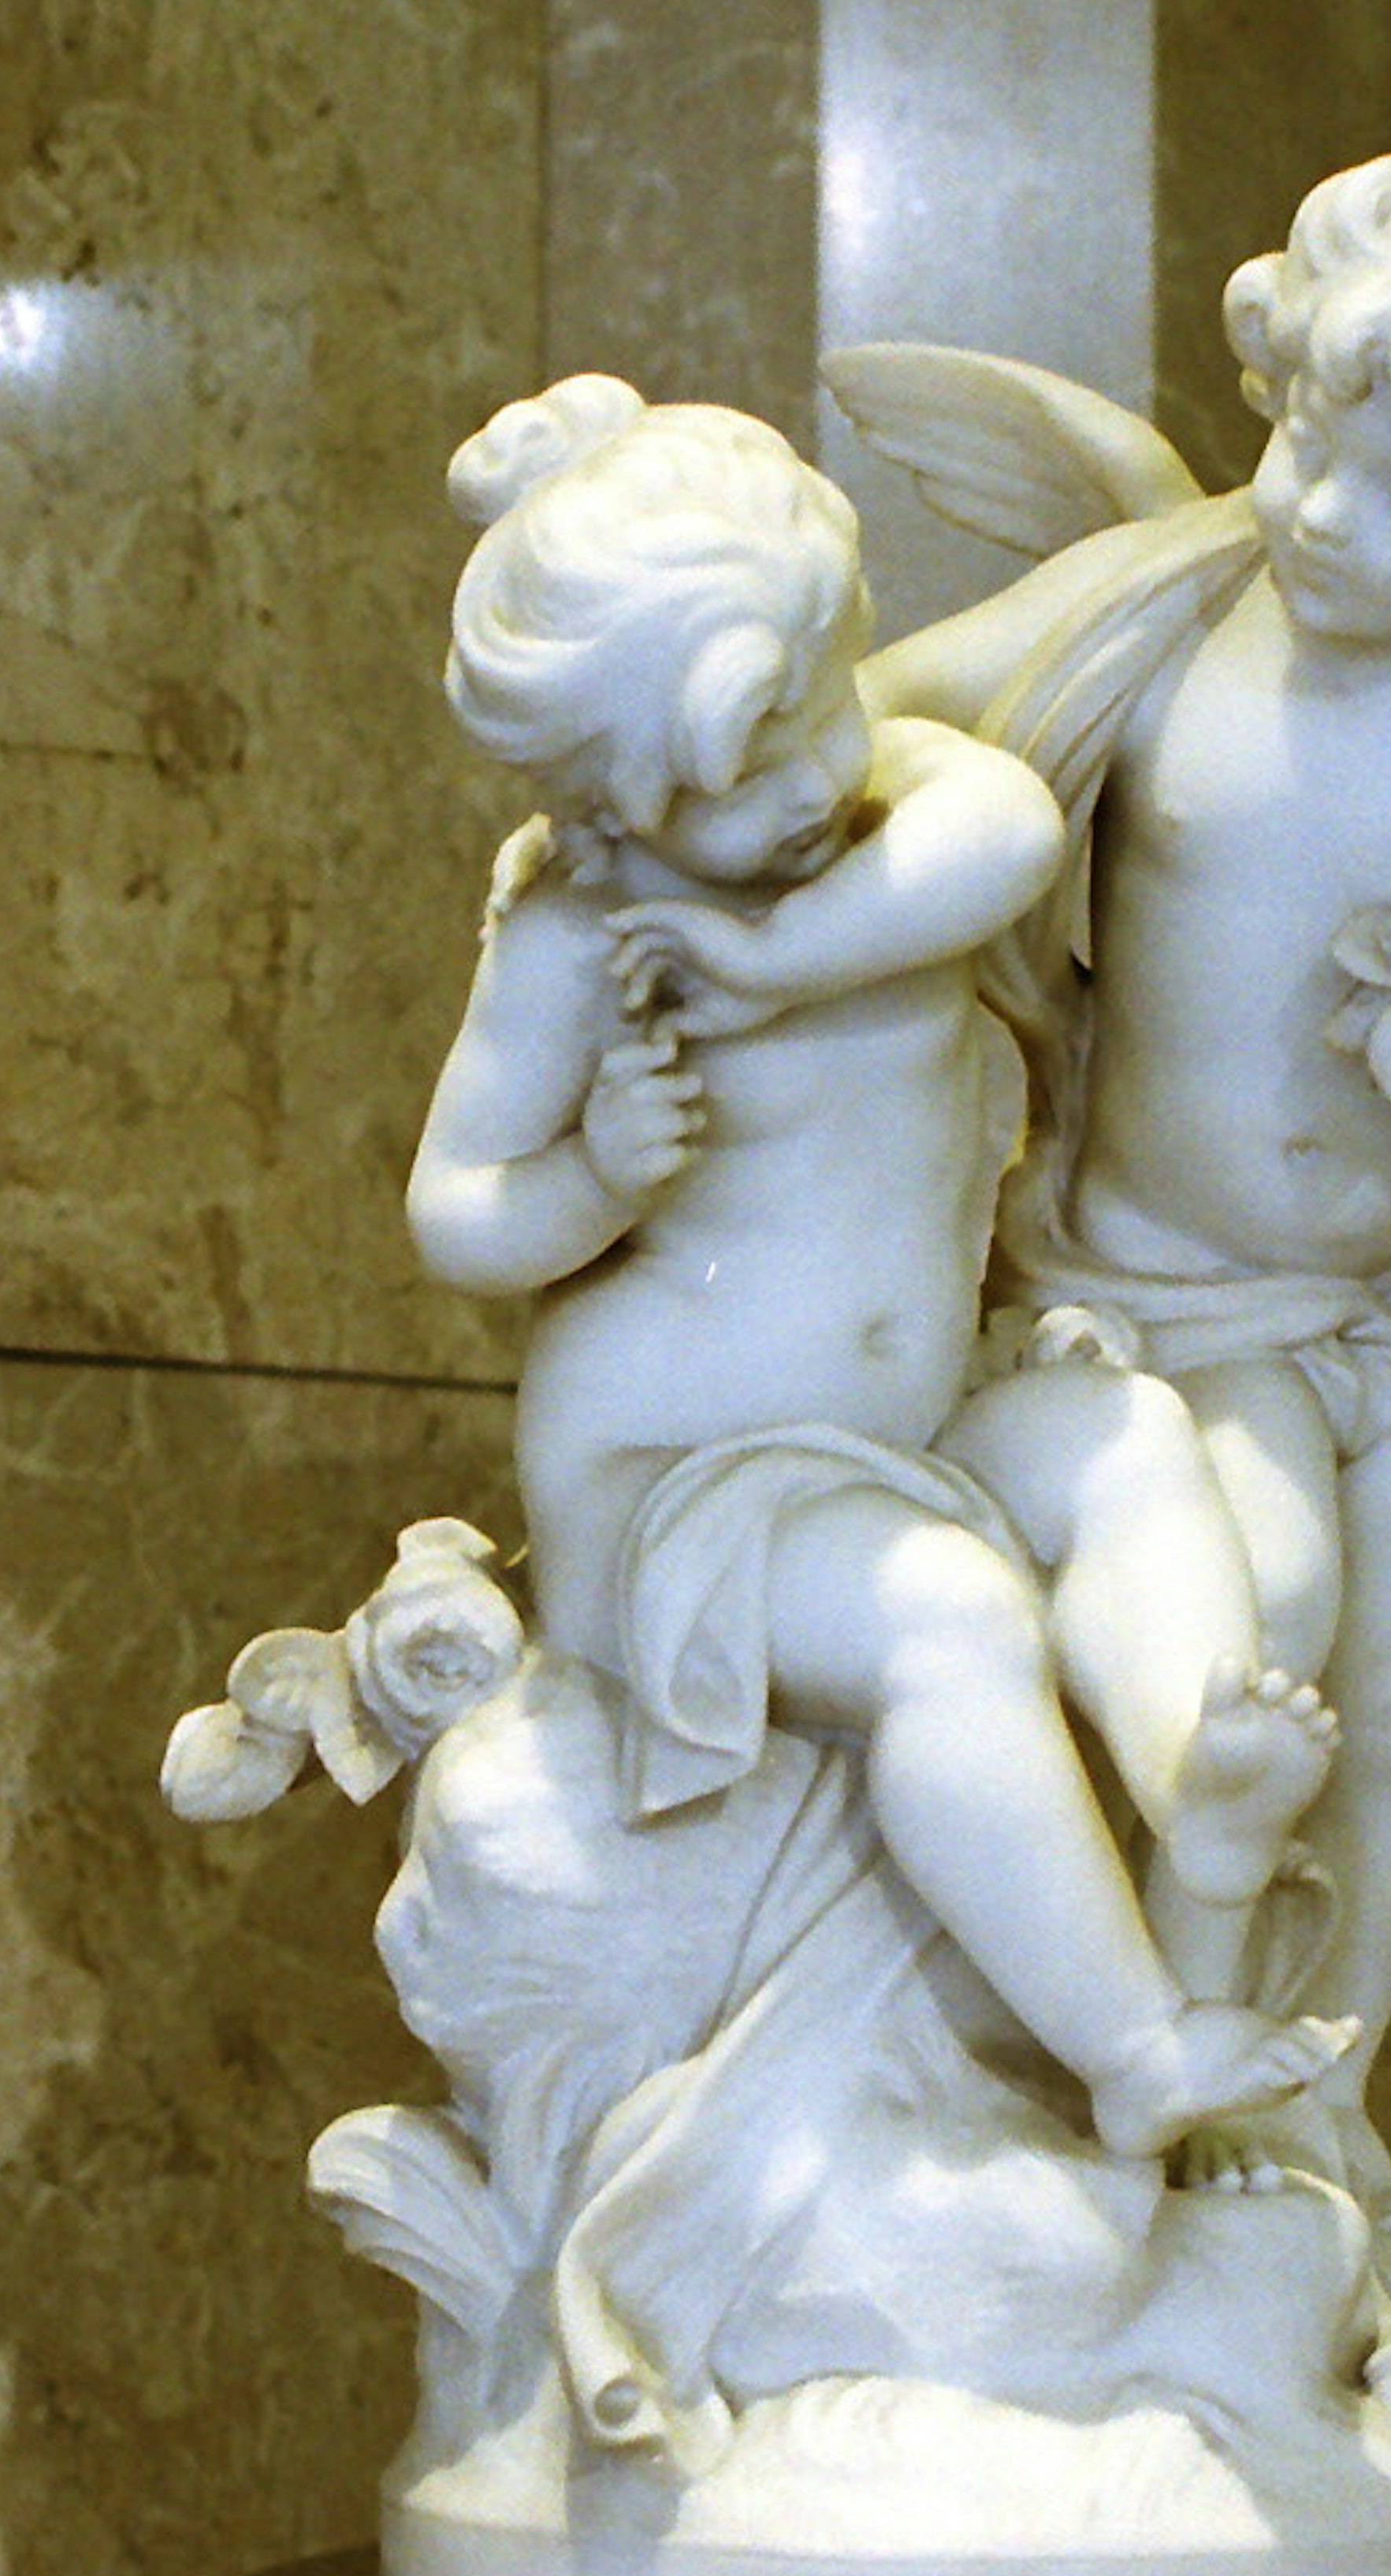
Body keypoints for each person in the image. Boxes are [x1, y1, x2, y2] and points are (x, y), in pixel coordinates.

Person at [872, 141, 1391, 2228]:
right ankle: (1164, 2040)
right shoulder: (1164, 632)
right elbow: (892, 724)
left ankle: (1317, 2080)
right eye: (1314, 455)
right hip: (1174, 1282)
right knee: (1261, 1643)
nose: (1335, 522)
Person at [405, 374, 1337, 2162]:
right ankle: (1135, 2038)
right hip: (682, 1496)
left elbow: (1006, 832)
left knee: (1122, 1441)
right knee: (949, 1615)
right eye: (755, 762)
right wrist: (596, 1171)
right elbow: (457, 1209)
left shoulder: (884, 822)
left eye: (833, 694)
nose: (830, 764)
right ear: (602, 805)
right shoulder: (575, 941)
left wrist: (774, 959)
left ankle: (1195, 1768)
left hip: (909, 1424)